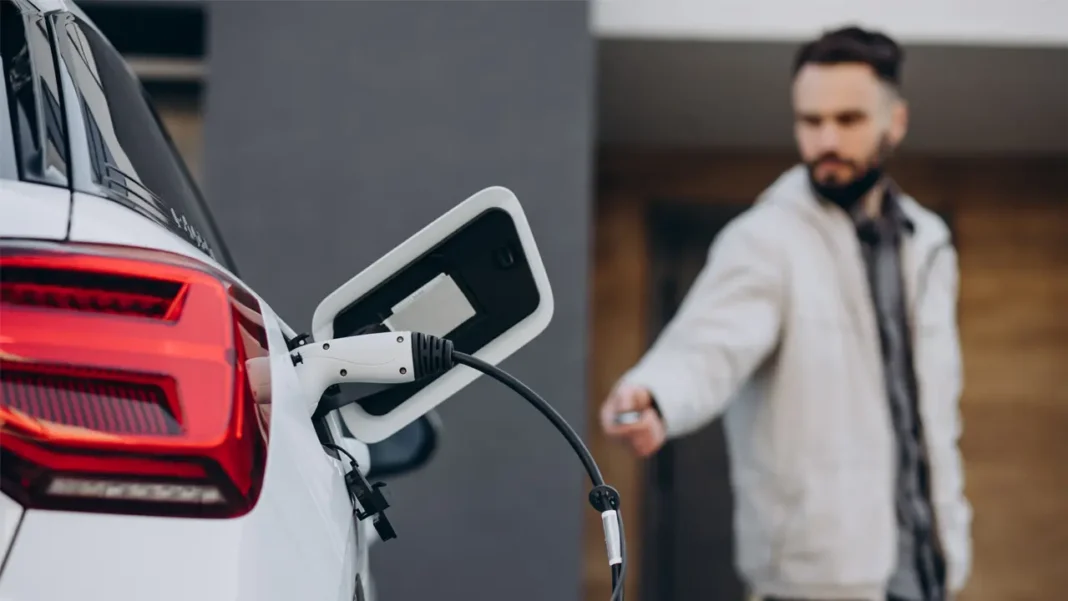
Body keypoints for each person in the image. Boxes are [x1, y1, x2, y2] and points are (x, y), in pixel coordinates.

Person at [599, 26, 971, 601]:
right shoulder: (765, 239)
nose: (826, 139)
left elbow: (936, 419)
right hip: (811, 581)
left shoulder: (929, 245)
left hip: (926, 570)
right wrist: (656, 394)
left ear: (894, 122)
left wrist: (951, 530)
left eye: (847, 120)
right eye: (810, 120)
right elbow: (708, 344)